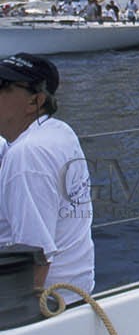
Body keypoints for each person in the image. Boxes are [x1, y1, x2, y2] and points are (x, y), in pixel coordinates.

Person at [0, 54, 94, 294]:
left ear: (35, 101)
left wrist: (25, 324)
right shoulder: (59, 131)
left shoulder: (27, 156)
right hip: (77, 287)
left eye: (2, 85)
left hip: (47, 301)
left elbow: (35, 255)